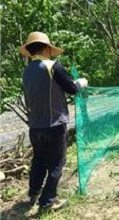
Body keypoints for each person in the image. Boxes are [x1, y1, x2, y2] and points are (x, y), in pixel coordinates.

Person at [20, 32, 89, 213]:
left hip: (35, 127)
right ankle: (48, 202)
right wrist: (81, 82)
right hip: (54, 125)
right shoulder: (52, 66)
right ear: (47, 48)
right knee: (57, 163)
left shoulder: (27, 72)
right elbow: (72, 88)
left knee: (39, 160)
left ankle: (34, 194)